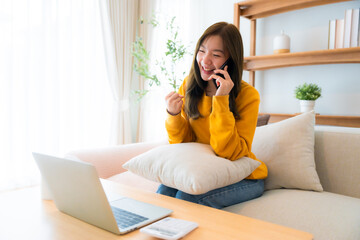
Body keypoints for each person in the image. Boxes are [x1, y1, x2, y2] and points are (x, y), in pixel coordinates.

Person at [157, 22, 268, 209]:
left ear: (231, 60)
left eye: (216, 55)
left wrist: (221, 100)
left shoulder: (248, 96)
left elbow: (229, 153)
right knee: (164, 192)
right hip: (204, 169)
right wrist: (173, 115)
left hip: (244, 177)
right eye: (202, 51)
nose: (205, 60)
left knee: (187, 198)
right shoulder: (189, 85)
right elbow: (183, 145)